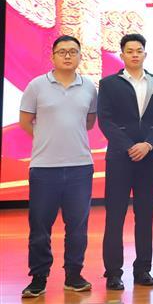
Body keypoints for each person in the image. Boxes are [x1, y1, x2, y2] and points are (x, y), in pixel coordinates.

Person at [20, 35, 97, 298]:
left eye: (73, 51)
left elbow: (89, 122)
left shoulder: (89, 87)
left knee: (77, 226)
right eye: (62, 51)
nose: (67, 56)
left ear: (80, 57)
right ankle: (38, 277)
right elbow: (25, 121)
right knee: (40, 226)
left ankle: (74, 275)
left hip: (80, 167)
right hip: (44, 168)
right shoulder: (37, 85)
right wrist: (47, 139)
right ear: (52, 56)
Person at [97, 33, 153, 290]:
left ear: (145, 54)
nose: (135, 54)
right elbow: (105, 120)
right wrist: (129, 146)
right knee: (115, 216)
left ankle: (142, 269)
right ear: (122, 54)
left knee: (145, 216)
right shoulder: (109, 84)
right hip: (120, 158)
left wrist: (148, 145)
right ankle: (113, 272)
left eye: (139, 50)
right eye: (130, 51)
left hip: (149, 160)